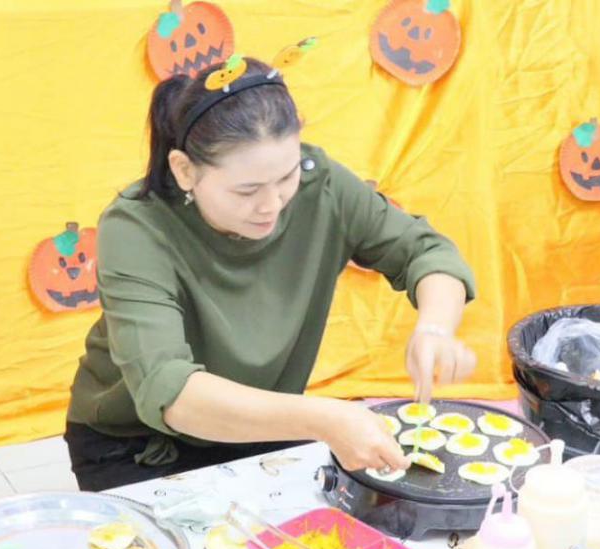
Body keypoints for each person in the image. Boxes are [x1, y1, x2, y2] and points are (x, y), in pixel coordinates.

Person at [65, 57, 477, 492]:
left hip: (265, 427)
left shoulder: (322, 186)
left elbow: (426, 252)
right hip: (139, 445)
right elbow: (170, 392)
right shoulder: (135, 228)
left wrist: (434, 328)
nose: (272, 205)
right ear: (185, 170)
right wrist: (327, 418)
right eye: (246, 190)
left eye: (286, 177)